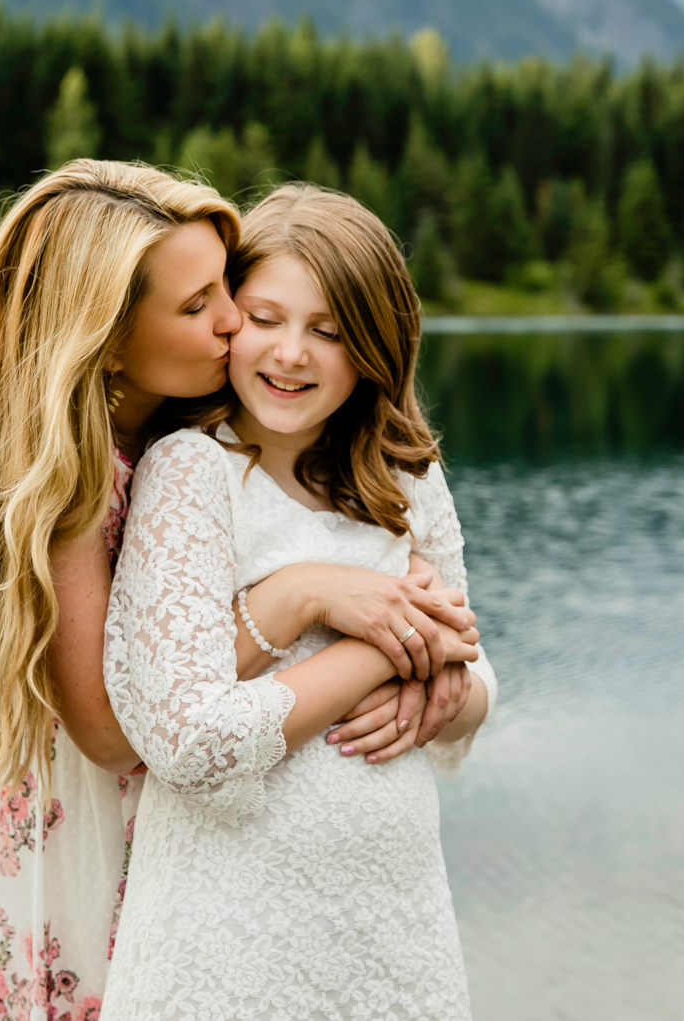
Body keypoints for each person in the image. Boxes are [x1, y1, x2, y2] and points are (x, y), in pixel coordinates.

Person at [0, 161, 476, 1021]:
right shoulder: (68, 475)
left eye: (228, 289)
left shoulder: (192, 425)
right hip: (112, 821)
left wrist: (441, 670)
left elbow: (443, 625)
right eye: (201, 306)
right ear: (110, 334)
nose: (235, 322)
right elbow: (117, 731)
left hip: (234, 833)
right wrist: (301, 602)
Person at [102, 184, 496, 1021]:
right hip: (229, 931)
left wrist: (450, 686)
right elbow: (188, 739)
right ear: (227, 320)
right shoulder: (192, 472)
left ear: (375, 346)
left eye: (328, 330)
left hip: (391, 928)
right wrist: (378, 651)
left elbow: (472, 669)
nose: (290, 353)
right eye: (265, 317)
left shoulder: (406, 478)